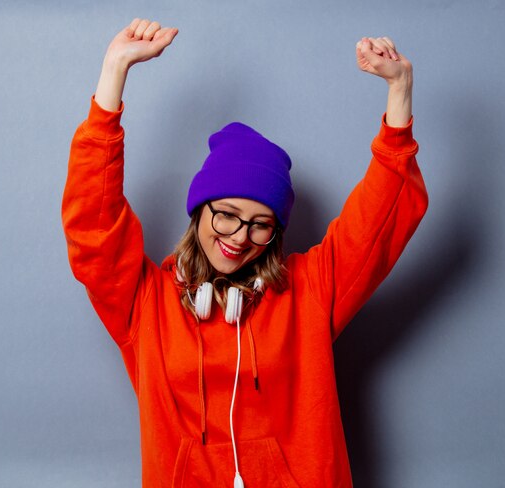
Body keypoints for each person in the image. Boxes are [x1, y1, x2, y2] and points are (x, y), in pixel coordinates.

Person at [62, 18, 427, 488]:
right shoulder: (146, 305)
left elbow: (381, 219)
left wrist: (400, 89)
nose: (240, 236)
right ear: (200, 211)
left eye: (261, 224)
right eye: (228, 214)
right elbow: (92, 222)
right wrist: (113, 71)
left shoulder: (308, 292)